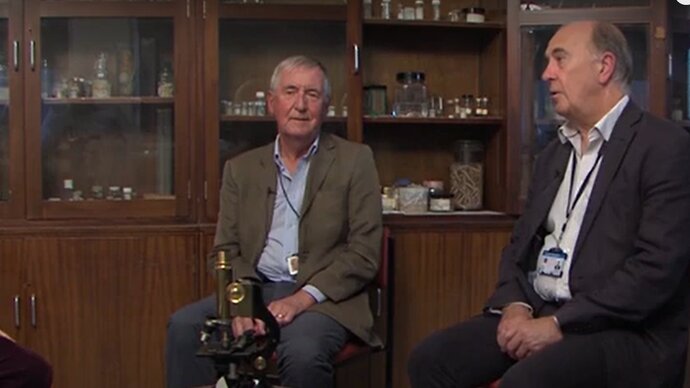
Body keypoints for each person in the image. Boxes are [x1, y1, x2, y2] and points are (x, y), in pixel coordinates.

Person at [408, 21, 690, 388]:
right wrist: (514, 306)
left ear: (604, 67)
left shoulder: (665, 147)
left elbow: (655, 271)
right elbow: (518, 247)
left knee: (525, 382)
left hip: (622, 330)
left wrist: (559, 324)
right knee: (430, 360)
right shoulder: (553, 154)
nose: (546, 74)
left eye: (559, 59)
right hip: (540, 310)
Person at [166, 55, 383, 388]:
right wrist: (243, 304)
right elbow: (225, 250)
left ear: (324, 106)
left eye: (312, 94)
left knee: (303, 353)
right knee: (183, 327)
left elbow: (364, 254)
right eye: (290, 92)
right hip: (257, 288)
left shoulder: (355, 161)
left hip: (324, 300)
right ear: (271, 103)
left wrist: (301, 299)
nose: (300, 104)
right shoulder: (240, 169)